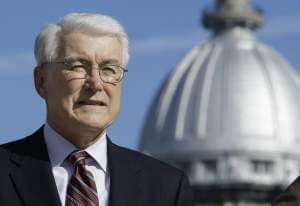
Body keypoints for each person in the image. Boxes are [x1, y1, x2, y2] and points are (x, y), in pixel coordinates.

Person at [0, 13, 195, 206]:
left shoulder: (166, 188)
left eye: (109, 69)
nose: (95, 84)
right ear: (41, 81)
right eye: (78, 66)